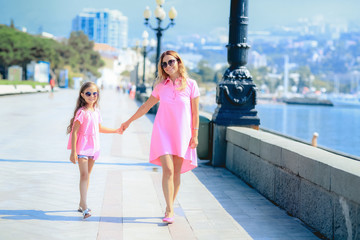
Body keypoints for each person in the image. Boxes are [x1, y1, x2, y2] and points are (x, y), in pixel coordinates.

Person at [119, 50, 200, 224]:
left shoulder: (191, 85)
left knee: (177, 172)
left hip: (182, 134)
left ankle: (169, 205)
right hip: (162, 132)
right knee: (168, 170)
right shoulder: (160, 87)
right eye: (164, 64)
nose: (168, 66)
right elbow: (145, 107)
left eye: (170, 62)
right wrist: (128, 122)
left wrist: (195, 135)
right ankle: (170, 209)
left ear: (178, 61)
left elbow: (195, 114)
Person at [66, 82, 121, 219]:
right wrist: (73, 152)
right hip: (83, 147)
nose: (92, 96)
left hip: (94, 147)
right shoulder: (81, 112)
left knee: (87, 175)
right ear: (82, 95)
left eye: (95, 93)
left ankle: (81, 202)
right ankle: (85, 206)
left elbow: (99, 128)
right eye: (88, 93)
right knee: (84, 175)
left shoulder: (96, 111)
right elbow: (74, 132)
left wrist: (116, 130)